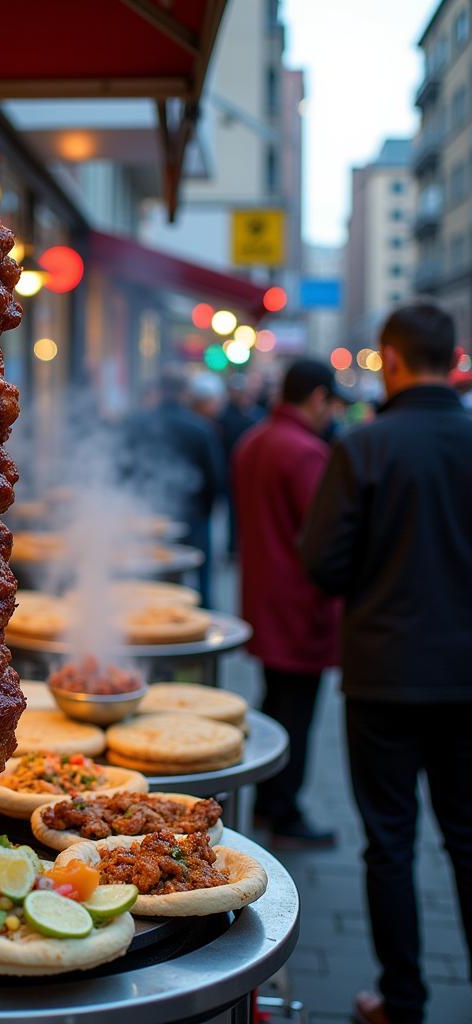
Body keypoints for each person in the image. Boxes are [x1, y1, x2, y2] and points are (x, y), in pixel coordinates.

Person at [299, 304, 472, 1024]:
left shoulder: (366, 447)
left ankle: (403, 998)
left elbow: (322, 561)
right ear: (454, 358)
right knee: (467, 836)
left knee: (390, 841)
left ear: (391, 360)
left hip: (384, 669)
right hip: (466, 673)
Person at [233, 358, 346, 847]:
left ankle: (265, 802)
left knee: (276, 704)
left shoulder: (255, 440)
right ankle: (284, 812)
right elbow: (325, 539)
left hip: (263, 596)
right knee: (296, 711)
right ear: (318, 397)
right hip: (302, 605)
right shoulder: (306, 452)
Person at [121, 368, 223, 605]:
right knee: (199, 579)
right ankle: (200, 617)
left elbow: (122, 470)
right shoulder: (200, 428)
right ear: (185, 393)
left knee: (146, 581)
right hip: (192, 517)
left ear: (158, 391)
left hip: (145, 515)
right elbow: (215, 479)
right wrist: (204, 513)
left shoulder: (136, 424)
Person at [219, 374, 262, 556]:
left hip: (248, 471)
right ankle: (233, 546)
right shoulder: (224, 416)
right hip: (231, 470)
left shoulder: (255, 414)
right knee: (233, 512)